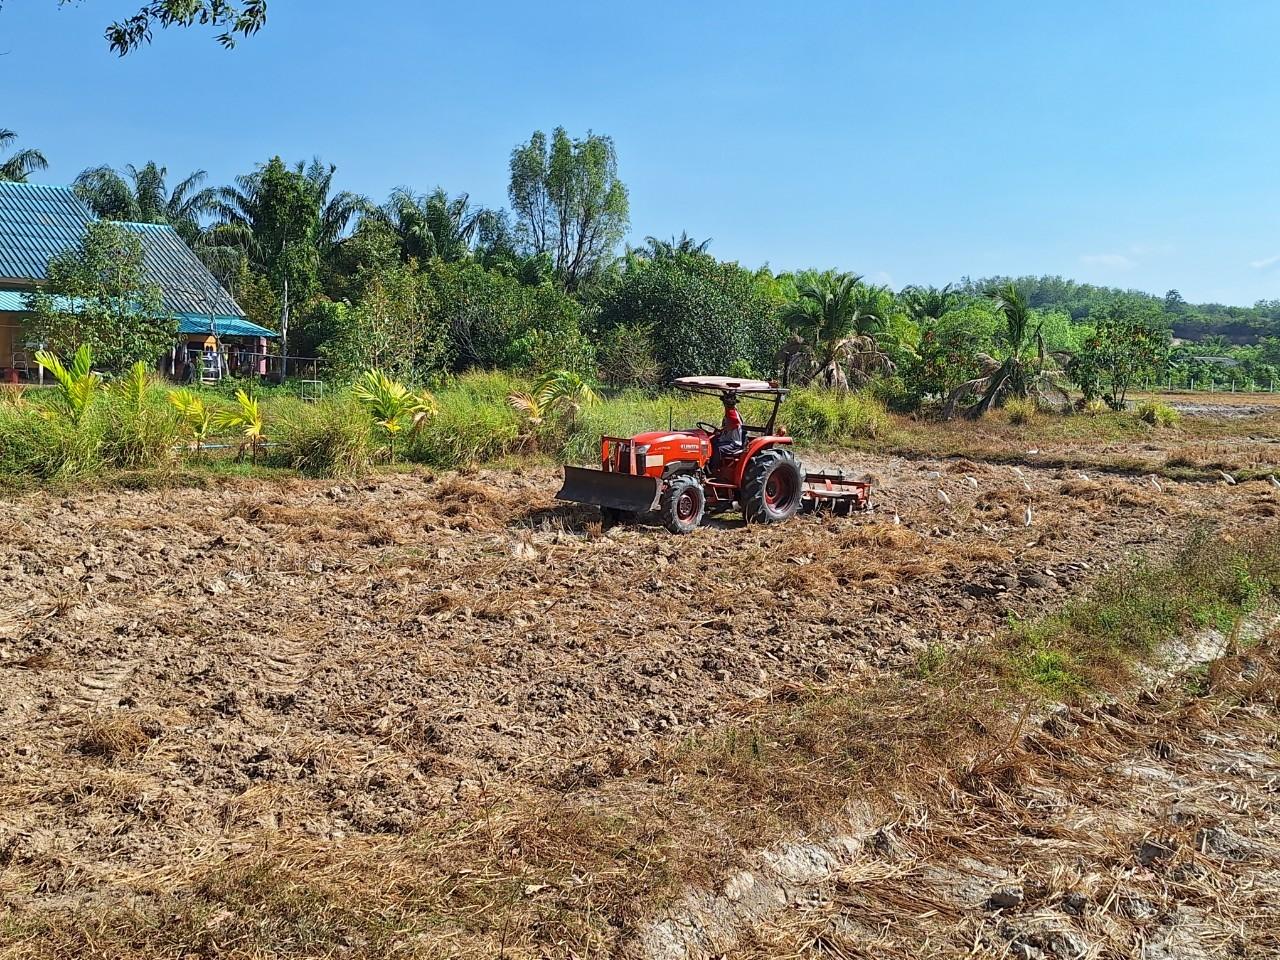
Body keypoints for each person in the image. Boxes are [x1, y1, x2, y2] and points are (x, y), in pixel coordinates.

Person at [710, 390, 745, 470]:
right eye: (725, 402)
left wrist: (721, 431)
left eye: (727, 403)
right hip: (726, 439)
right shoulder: (728, 413)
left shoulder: (732, 413)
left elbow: (733, 425)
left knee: (717, 448)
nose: (725, 404)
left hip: (733, 443)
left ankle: (714, 469)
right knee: (710, 442)